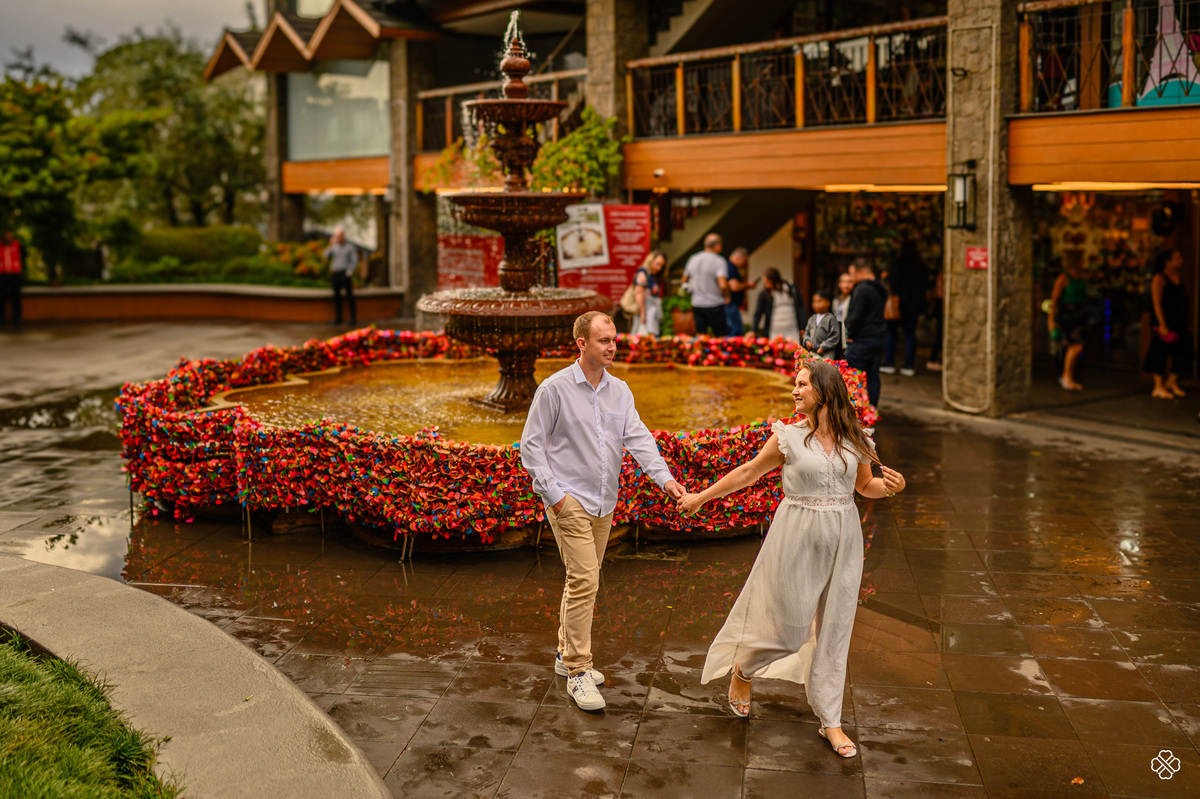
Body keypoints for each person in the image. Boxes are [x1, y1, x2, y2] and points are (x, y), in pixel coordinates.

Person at [677, 358, 905, 757]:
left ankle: (830, 720)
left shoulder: (857, 438)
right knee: (793, 630)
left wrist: (890, 488)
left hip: (844, 537)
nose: (794, 391)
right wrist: (700, 498)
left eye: (801, 384)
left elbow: (865, 485)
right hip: (797, 535)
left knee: (836, 629)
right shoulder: (788, 437)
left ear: (824, 391)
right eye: (795, 384)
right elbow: (748, 473)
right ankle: (744, 670)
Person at [520, 311, 685, 712]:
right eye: (603, 340)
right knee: (585, 579)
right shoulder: (554, 389)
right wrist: (555, 496)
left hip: (604, 500)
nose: (612, 346)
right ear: (581, 343)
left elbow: (639, 439)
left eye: (614, 340)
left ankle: (564, 655)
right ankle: (579, 670)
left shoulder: (620, 391)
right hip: (569, 498)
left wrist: (664, 479)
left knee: (582, 579)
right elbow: (531, 446)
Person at [1144, 248, 1193, 399]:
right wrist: (1162, 324)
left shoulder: (1179, 276)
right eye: (1177, 258)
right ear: (1168, 261)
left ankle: (1171, 381)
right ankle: (1158, 386)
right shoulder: (1159, 277)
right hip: (1163, 320)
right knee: (1160, 351)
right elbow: (1156, 302)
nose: (1181, 260)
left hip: (1178, 320)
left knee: (1184, 349)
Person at [843, 259, 888, 406]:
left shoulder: (862, 289)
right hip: (878, 337)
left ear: (861, 272)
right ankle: (871, 411)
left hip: (861, 340)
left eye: (852, 274)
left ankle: (854, 411)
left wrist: (848, 334)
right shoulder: (880, 288)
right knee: (873, 376)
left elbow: (855, 316)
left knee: (852, 376)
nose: (852, 278)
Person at [881, 239, 928, 377]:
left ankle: (889, 363)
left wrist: (887, 277)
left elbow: (893, 283)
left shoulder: (898, 264)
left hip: (897, 304)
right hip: (913, 306)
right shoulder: (920, 266)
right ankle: (909, 365)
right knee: (909, 335)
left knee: (891, 333)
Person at [1048, 253, 1089, 391]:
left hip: (1078, 316)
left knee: (1076, 346)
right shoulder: (1063, 278)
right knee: (1075, 346)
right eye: (1081, 259)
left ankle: (1068, 376)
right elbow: (1054, 301)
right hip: (1066, 317)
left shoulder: (1081, 276)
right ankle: (1066, 376)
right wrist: (1051, 320)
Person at [682, 233, 730, 336]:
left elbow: (684, 280)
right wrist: (727, 296)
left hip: (697, 303)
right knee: (720, 337)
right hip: (715, 303)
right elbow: (723, 285)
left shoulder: (693, 258)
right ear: (717, 245)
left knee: (701, 336)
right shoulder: (719, 261)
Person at [752, 267, 806, 341]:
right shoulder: (765, 294)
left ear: (773, 280)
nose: (765, 284)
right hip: (774, 329)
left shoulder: (791, 288)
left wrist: (803, 326)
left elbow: (801, 307)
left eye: (767, 281)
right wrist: (753, 330)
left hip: (792, 327)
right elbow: (758, 313)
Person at [324, 227, 363, 326]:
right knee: (337, 297)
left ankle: (353, 318)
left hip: (345, 274)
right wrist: (331, 245)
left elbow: (354, 260)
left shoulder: (350, 247)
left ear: (343, 236)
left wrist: (349, 271)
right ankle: (338, 318)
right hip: (335, 274)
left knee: (349, 296)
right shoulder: (334, 247)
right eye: (336, 236)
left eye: (339, 236)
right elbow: (325, 255)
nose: (338, 238)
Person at [724, 247, 758, 337]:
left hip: (732, 305)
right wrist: (748, 285)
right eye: (744, 261)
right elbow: (734, 286)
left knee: (736, 331)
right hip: (731, 305)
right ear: (740, 258)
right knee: (735, 332)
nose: (744, 264)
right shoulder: (730, 267)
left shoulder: (730, 267)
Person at [631, 250, 666, 336]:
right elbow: (639, 293)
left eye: (661, 266)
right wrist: (643, 314)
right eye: (657, 264)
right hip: (645, 315)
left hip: (651, 316)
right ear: (651, 261)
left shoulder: (653, 276)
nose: (659, 268)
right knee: (641, 338)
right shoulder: (643, 273)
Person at [803, 291, 840, 359]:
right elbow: (806, 333)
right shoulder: (812, 318)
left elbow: (834, 336)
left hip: (826, 354)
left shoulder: (831, 319)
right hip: (813, 353)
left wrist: (823, 347)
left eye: (819, 301)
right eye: (814, 301)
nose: (816, 304)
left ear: (828, 303)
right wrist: (807, 341)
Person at [0, 230, 25, 331]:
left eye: (10, 237)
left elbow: (23, 255)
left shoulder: (17, 245)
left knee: (16, 296)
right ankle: (1, 318)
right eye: (7, 237)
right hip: (2, 274)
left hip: (15, 274)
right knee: (1, 297)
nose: (8, 238)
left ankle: (17, 318)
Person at [832, 271, 854, 356]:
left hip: (847, 334)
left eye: (849, 282)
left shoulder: (853, 299)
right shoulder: (837, 299)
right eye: (843, 282)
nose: (846, 285)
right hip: (836, 333)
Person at [926, 268, 944, 371]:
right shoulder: (943, 275)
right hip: (940, 304)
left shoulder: (940, 274)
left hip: (939, 303)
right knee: (940, 334)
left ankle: (934, 358)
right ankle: (933, 359)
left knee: (940, 334)